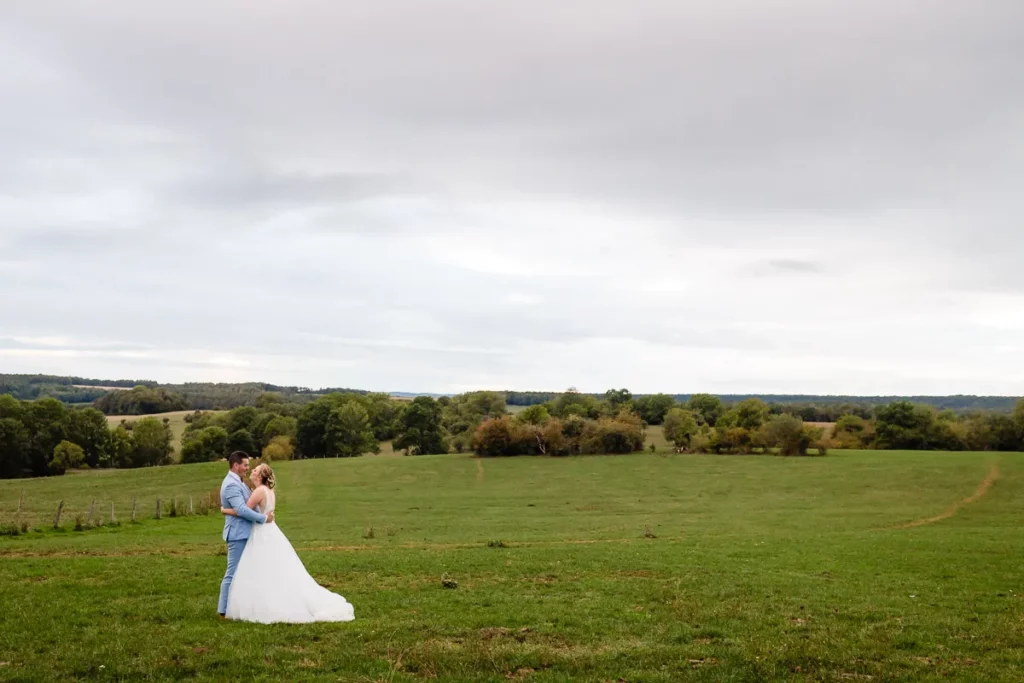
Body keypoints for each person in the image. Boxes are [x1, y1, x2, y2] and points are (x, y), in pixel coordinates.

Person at [221, 462, 355, 623]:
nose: (252, 470)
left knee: (260, 567)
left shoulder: (258, 491)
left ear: (260, 476)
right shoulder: (269, 491)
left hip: (261, 532)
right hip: (271, 530)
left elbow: (243, 511)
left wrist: (224, 510)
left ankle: (261, 604)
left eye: (255, 470)